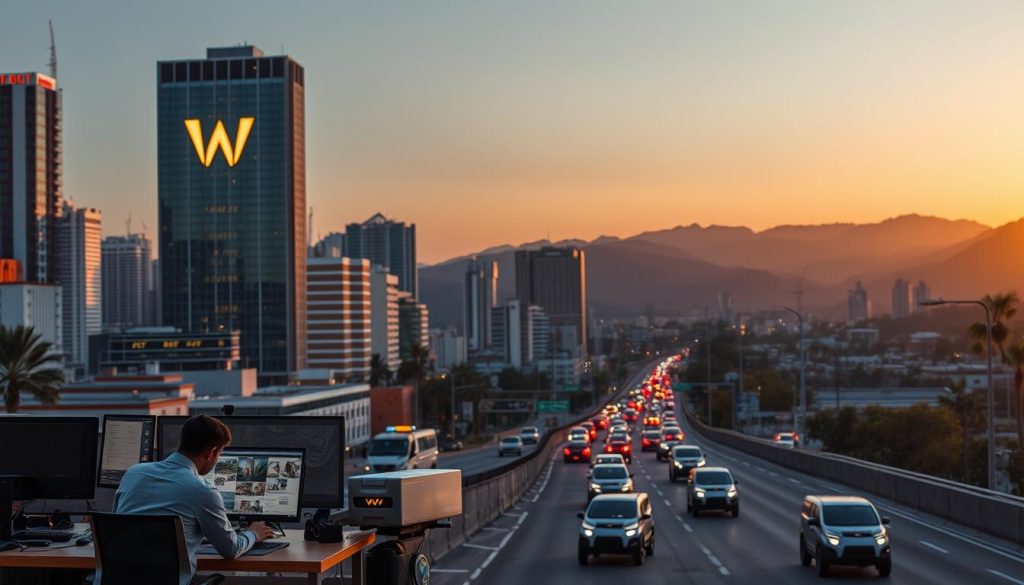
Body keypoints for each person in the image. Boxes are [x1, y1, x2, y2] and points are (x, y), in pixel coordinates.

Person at [112, 415, 273, 584]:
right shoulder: (203, 490)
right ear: (211, 452)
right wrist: (254, 533)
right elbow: (230, 549)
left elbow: (116, 524)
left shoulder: (133, 473)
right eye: (219, 453)